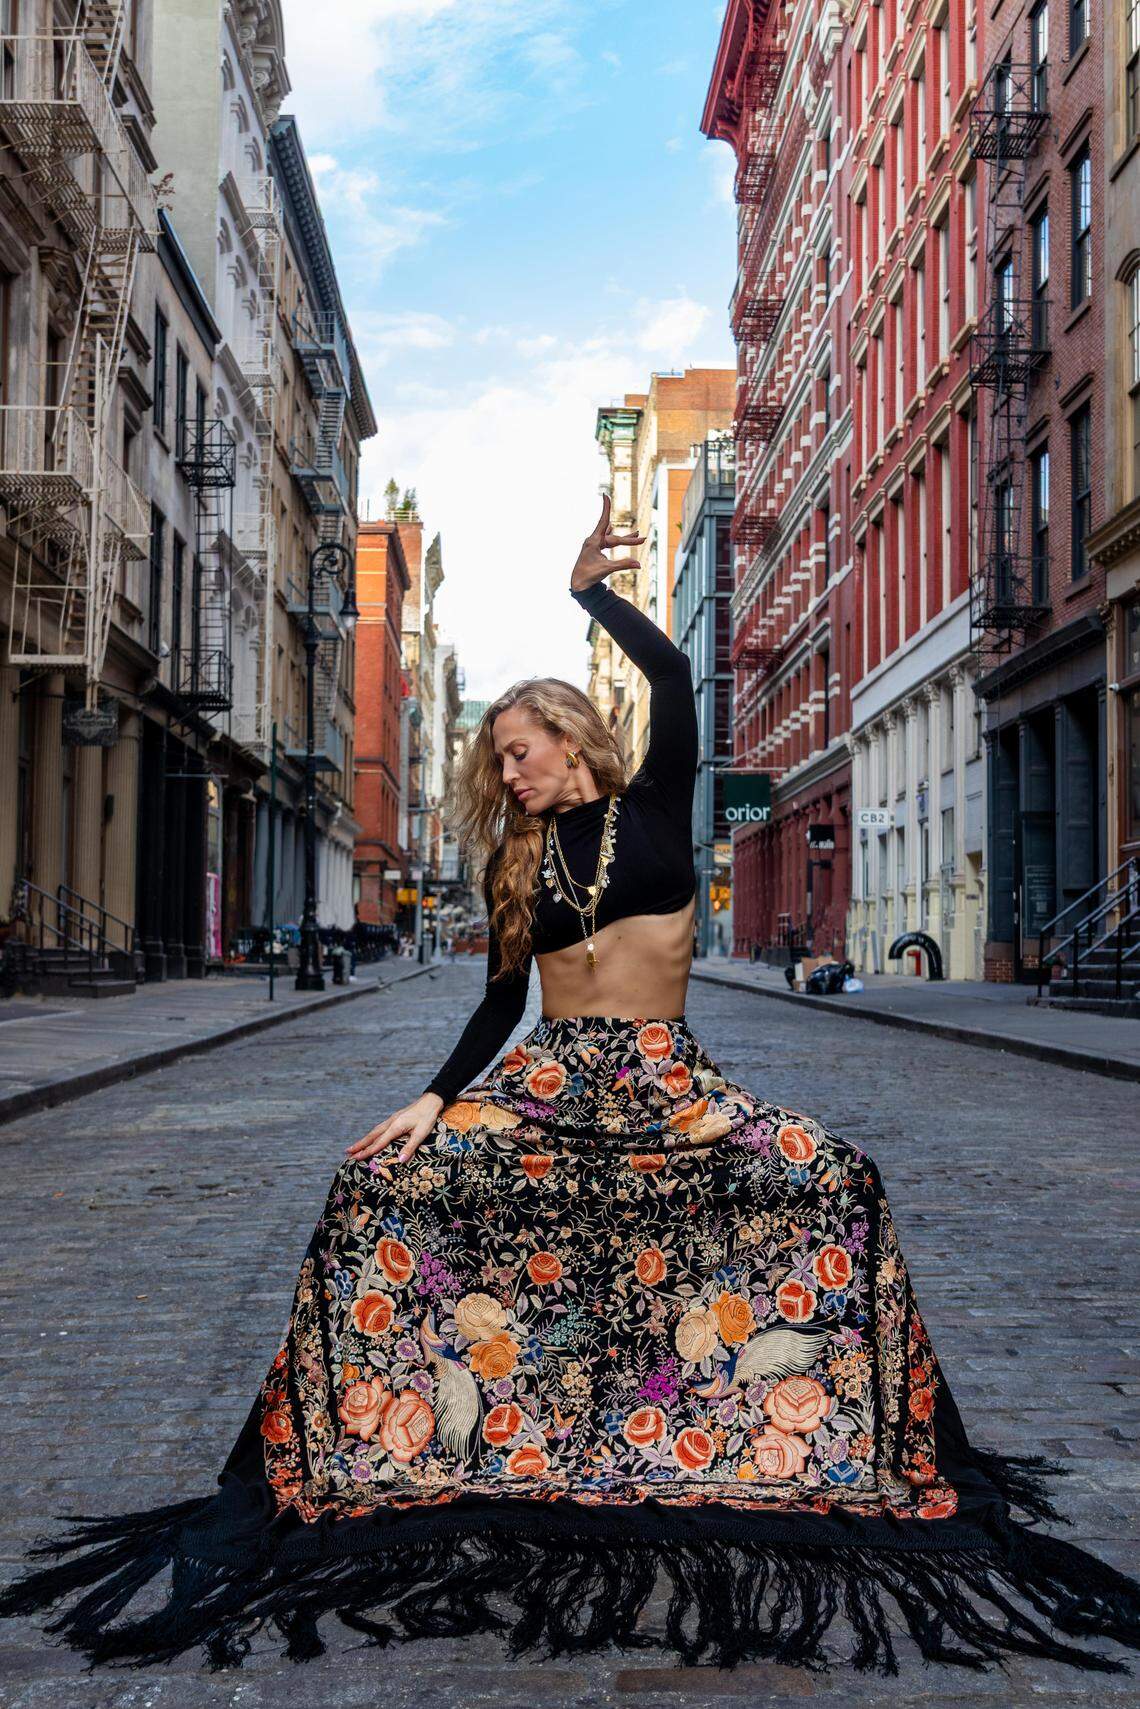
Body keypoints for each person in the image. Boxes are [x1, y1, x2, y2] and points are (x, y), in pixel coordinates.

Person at [3, 497, 1138, 1678]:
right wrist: (435, 1099)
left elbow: (678, 667)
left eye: (518, 751)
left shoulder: (652, 804)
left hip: (667, 1079)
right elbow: (502, 999)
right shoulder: (515, 856)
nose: (508, 772)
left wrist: (591, 591)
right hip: (544, 1081)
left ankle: (793, 1434)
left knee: (835, 1177)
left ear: (571, 733)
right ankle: (451, 1435)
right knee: (378, 1190)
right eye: (496, 760)